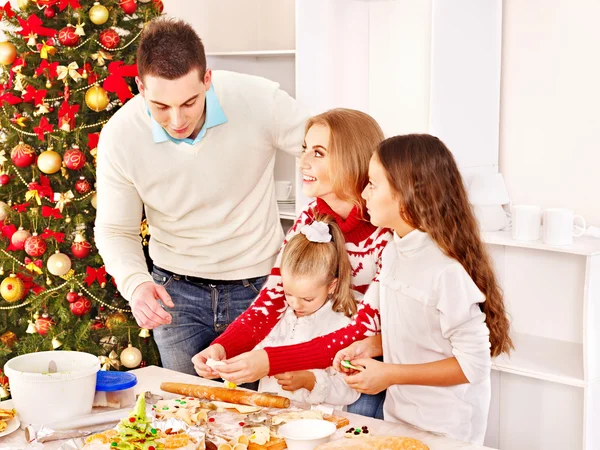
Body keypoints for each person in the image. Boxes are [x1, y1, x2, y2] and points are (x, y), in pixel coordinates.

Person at [94, 18, 310, 375]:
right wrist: (136, 285)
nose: (177, 119)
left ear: (207, 79)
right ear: (141, 87)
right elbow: (116, 229)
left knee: (256, 420)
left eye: (189, 102)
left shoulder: (259, 100)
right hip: (174, 296)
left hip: (258, 288)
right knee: (187, 417)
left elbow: (329, 149)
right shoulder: (121, 135)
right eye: (161, 106)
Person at [193, 108, 390, 415]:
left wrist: (271, 359)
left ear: (352, 159)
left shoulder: (385, 231)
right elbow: (270, 303)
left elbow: (361, 333)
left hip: (360, 378)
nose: (304, 161)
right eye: (305, 149)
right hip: (306, 372)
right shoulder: (309, 220)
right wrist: (222, 347)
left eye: (319, 152)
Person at [335, 134, 513, 444]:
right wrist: (372, 346)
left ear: (406, 195)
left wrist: (390, 374)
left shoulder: (447, 271)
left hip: (447, 428)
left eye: (373, 185)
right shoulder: (392, 251)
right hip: (400, 416)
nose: (363, 193)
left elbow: (473, 365)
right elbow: (419, 330)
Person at [210, 218, 360, 407]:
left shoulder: (343, 326)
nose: (296, 304)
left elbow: (350, 391)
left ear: (332, 286)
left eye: (307, 299)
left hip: (318, 425)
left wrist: (310, 381)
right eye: (288, 293)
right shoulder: (275, 316)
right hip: (268, 418)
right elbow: (254, 359)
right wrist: (230, 367)